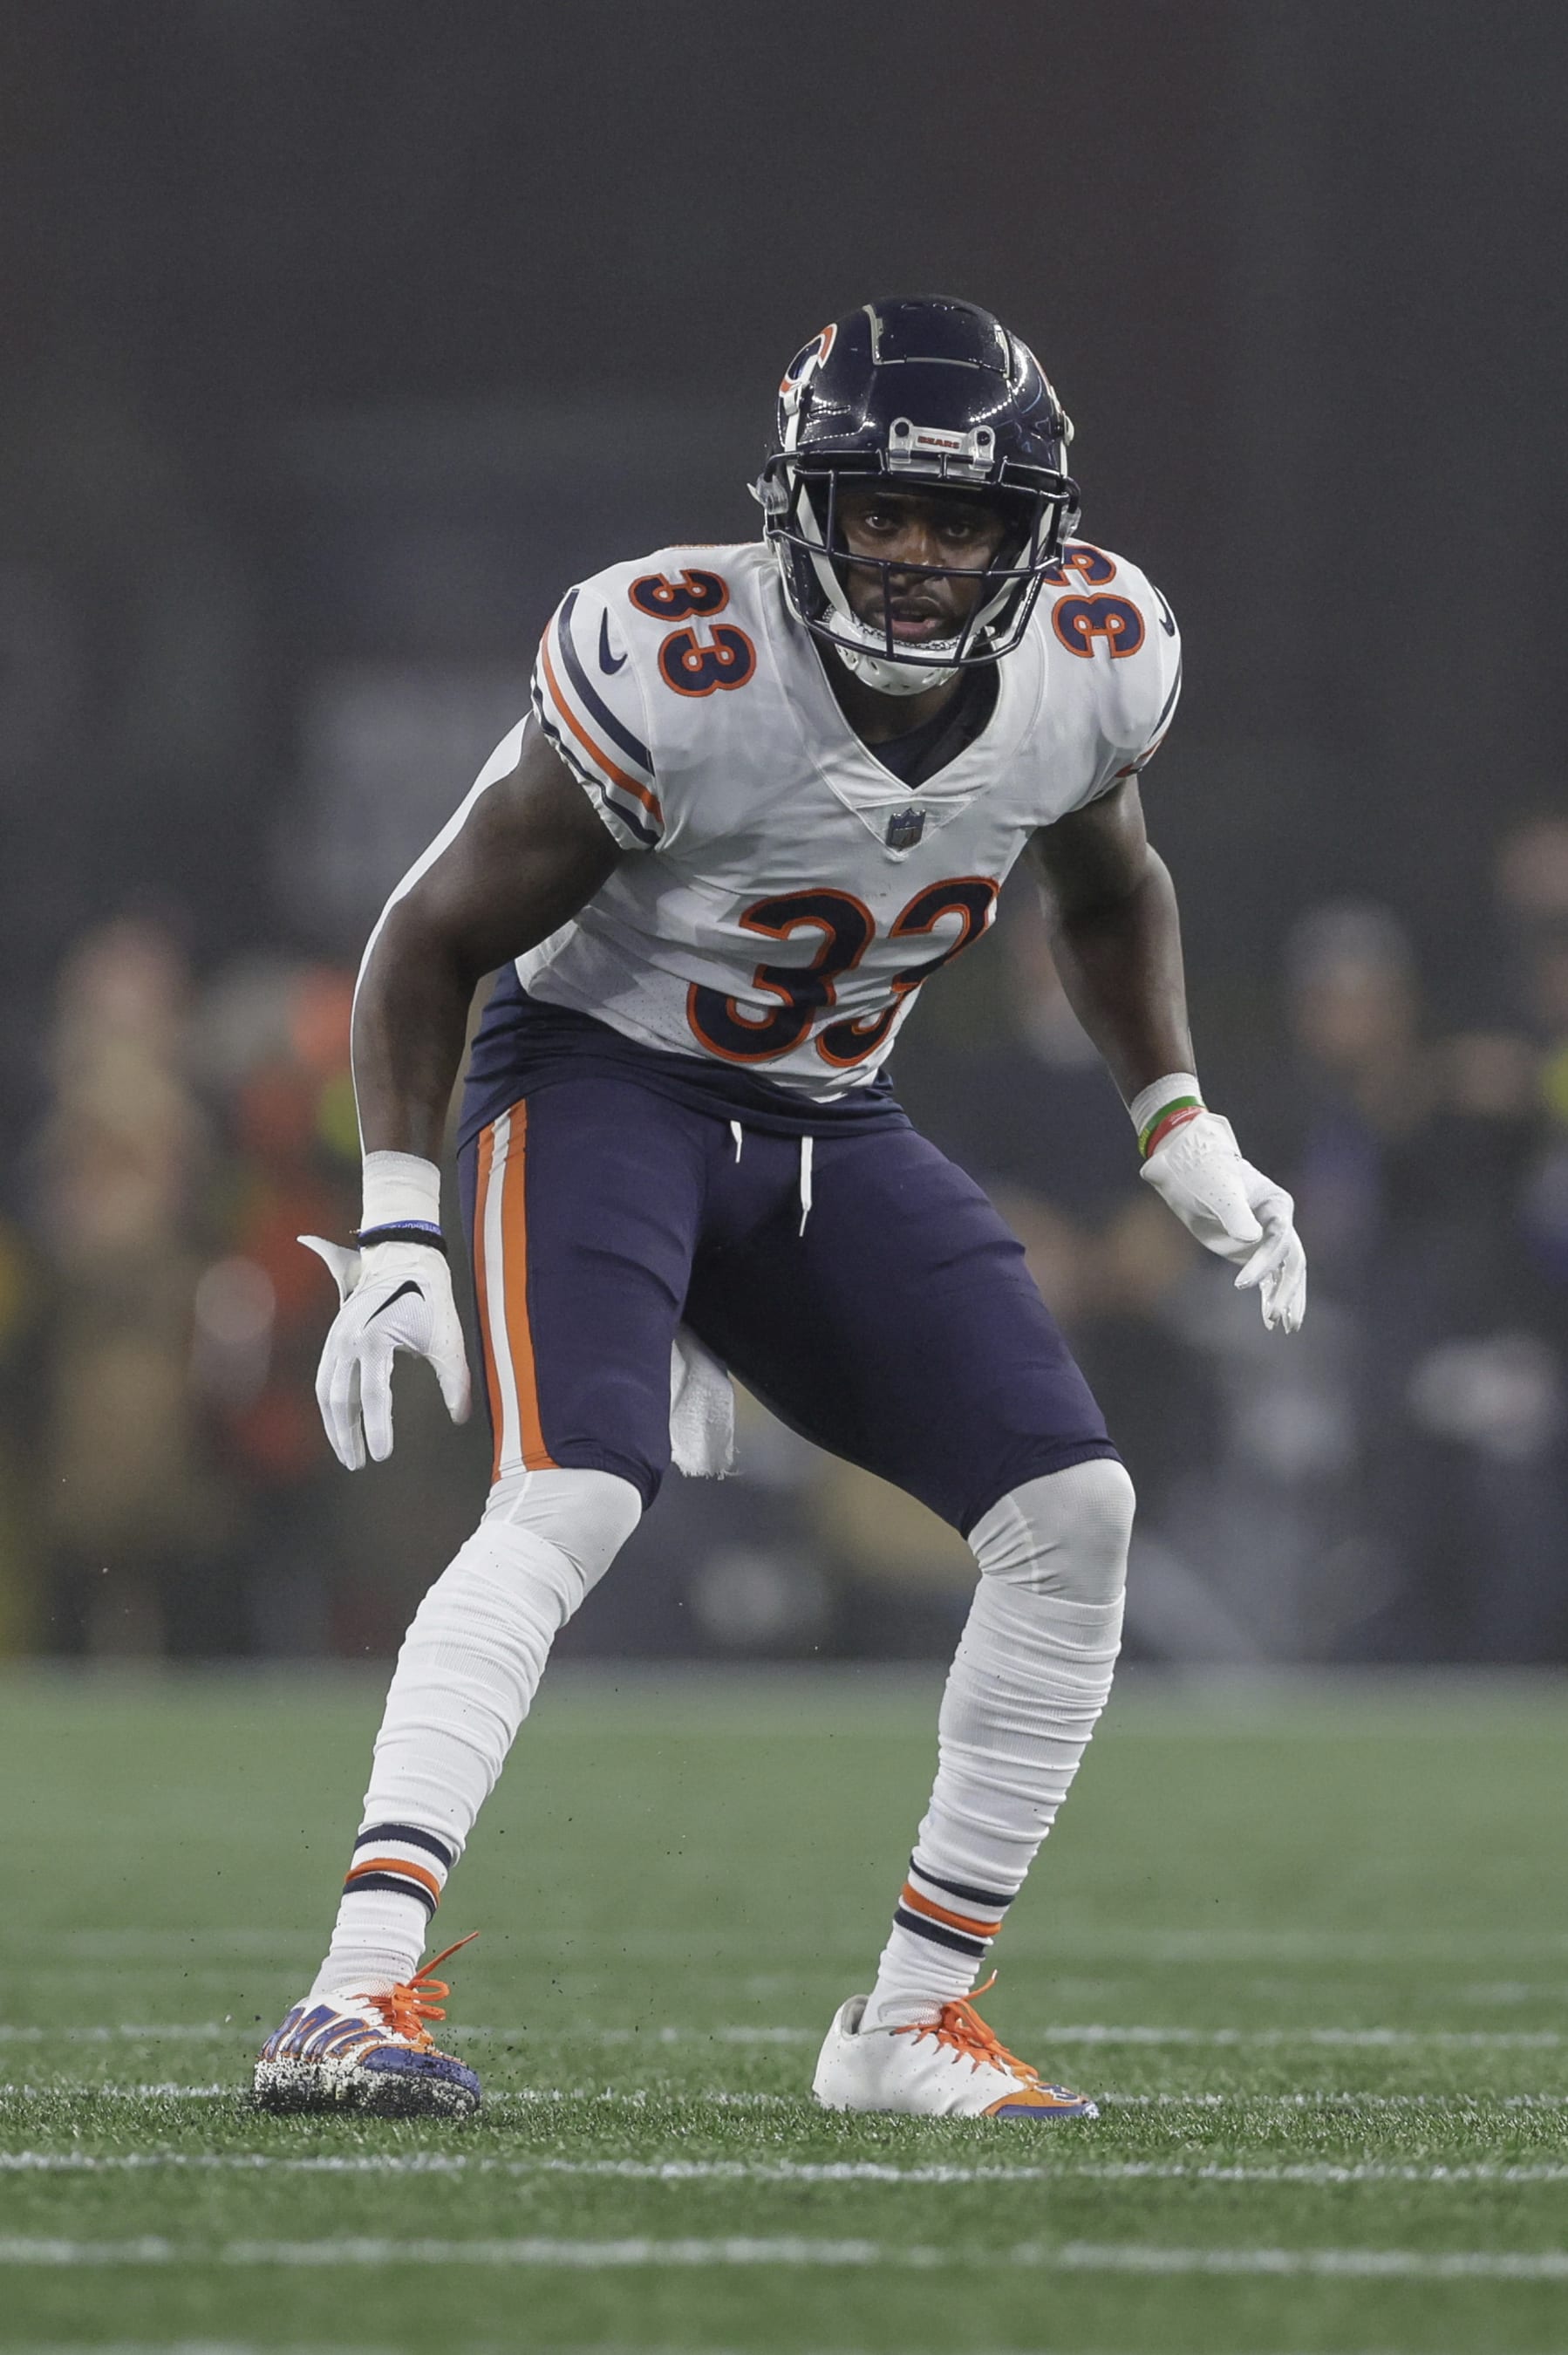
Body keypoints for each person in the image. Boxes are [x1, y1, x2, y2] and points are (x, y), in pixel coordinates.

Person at [254, 297, 1306, 2123]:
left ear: (1026, 535)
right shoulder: (678, 656)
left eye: (951, 519)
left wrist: (1174, 1118)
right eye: (873, 509)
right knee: (571, 1492)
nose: (907, 554)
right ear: (796, 501)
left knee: (1076, 1514)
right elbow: (430, 935)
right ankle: (352, 1993)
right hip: (593, 1086)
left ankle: (905, 2021)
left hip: (823, 1116)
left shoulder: (1095, 657)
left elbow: (1109, 883)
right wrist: (406, 1218)